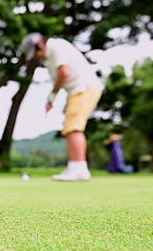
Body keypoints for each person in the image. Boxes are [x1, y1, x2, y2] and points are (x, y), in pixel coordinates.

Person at [20, 32, 104, 181]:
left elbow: (64, 73)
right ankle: (73, 167)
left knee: (73, 127)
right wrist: (52, 98)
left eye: (36, 52)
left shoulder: (56, 46)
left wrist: (52, 96)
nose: (37, 56)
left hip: (84, 87)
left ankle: (80, 169)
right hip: (76, 90)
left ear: (40, 44)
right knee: (69, 127)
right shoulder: (50, 56)